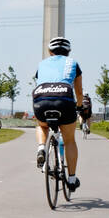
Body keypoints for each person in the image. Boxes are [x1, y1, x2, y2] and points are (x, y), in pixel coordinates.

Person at [32, 36, 84, 192]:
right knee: (69, 141)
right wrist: (79, 107)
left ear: (49, 51)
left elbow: (38, 83)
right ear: (68, 51)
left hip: (41, 99)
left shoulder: (41, 65)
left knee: (42, 125)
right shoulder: (73, 63)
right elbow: (79, 92)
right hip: (65, 100)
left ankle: (41, 147)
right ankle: (72, 178)